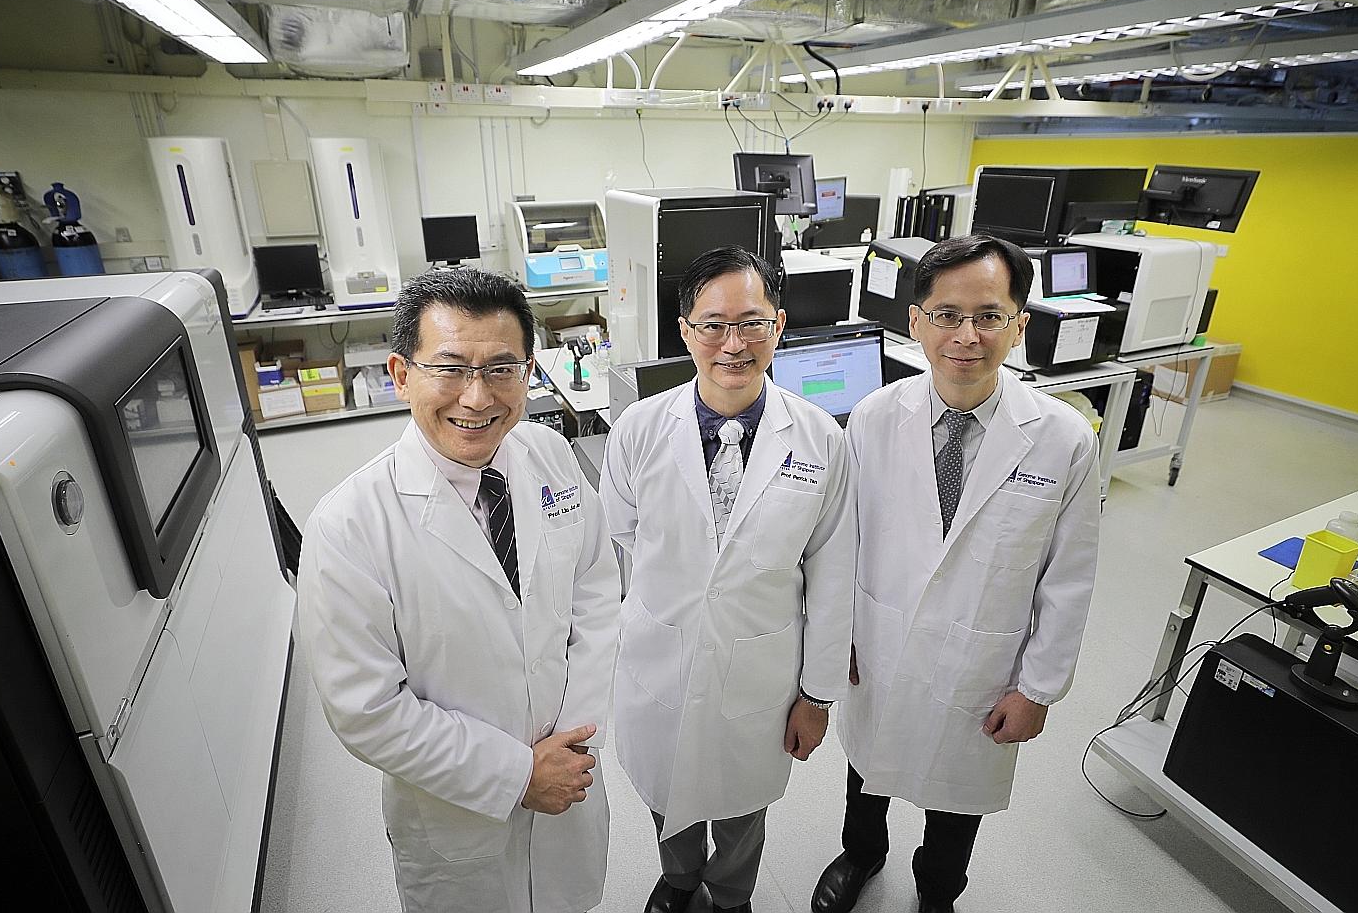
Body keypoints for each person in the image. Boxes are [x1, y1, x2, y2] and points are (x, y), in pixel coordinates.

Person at [296, 267, 620, 913]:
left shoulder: (550, 458)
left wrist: (575, 738)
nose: (476, 398)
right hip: (457, 816)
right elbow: (367, 710)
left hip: (570, 776)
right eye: (449, 368)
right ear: (400, 374)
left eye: (502, 368)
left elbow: (596, 586)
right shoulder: (347, 527)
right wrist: (518, 774)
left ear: (528, 372)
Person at [811, 235, 1101, 913]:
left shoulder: (1063, 440)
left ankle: (938, 891)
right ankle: (862, 853)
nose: (966, 335)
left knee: (957, 796)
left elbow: (1070, 578)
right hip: (880, 639)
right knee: (868, 768)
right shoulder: (875, 419)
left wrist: (1039, 687)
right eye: (946, 314)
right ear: (915, 323)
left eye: (989, 315)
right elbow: (839, 543)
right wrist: (835, 638)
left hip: (984, 662)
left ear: (1019, 325)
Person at [603, 246, 855, 913]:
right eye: (713, 325)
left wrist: (818, 696)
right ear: (685, 331)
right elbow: (621, 540)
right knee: (665, 788)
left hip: (762, 666)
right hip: (662, 653)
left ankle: (730, 893)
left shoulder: (822, 441)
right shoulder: (638, 430)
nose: (733, 344)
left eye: (752, 322)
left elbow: (832, 575)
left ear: (780, 325)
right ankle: (680, 878)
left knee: (744, 803)